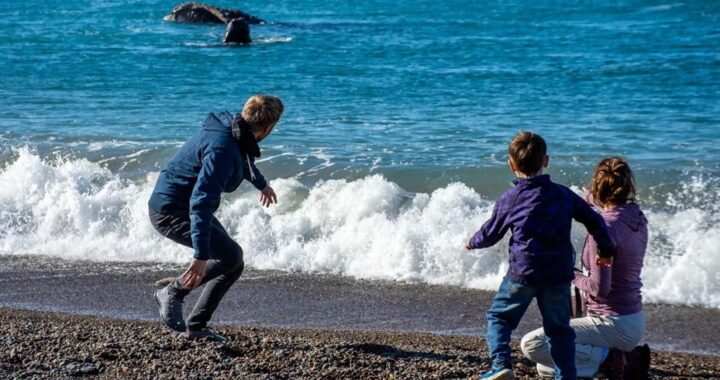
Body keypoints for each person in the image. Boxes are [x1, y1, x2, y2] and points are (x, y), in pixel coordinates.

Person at [466, 131, 616, 380]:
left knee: (499, 317)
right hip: (558, 274)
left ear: (511, 164)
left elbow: (492, 232)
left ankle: (501, 364)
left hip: (523, 273)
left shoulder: (511, 198)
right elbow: (595, 220)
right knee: (559, 329)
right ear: (546, 160)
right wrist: (606, 250)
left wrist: (473, 242)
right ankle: (565, 376)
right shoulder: (563, 195)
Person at [148, 95, 284, 342]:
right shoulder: (222, 149)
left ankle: (196, 327)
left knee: (234, 260)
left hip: (182, 204)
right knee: (229, 256)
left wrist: (261, 184)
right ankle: (172, 293)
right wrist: (200, 256)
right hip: (170, 211)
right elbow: (201, 202)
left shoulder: (234, 130)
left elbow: (244, 160)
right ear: (268, 128)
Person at [521, 157, 650, 380]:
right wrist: (593, 201)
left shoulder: (603, 229)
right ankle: (609, 362)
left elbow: (599, 289)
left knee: (532, 345)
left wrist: (568, 271)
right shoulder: (637, 218)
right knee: (547, 368)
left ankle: (613, 359)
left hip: (611, 324)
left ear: (598, 187)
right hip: (633, 320)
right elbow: (613, 217)